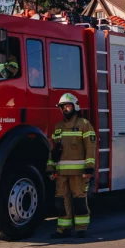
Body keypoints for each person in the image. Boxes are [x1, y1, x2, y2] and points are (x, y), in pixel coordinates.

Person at [47, 93, 96, 238]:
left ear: (75, 107)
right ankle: (63, 228)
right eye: (63, 107)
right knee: (61, 201)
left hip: (79, 173)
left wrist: (89, 168)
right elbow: (52, 150)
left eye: (68, 106)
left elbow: (90, 148)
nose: (65, 109)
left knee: (79, 200)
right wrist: (50, 169)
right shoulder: (58, 127)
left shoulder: (84, 124)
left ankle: (81, 228)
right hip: (61, 173)